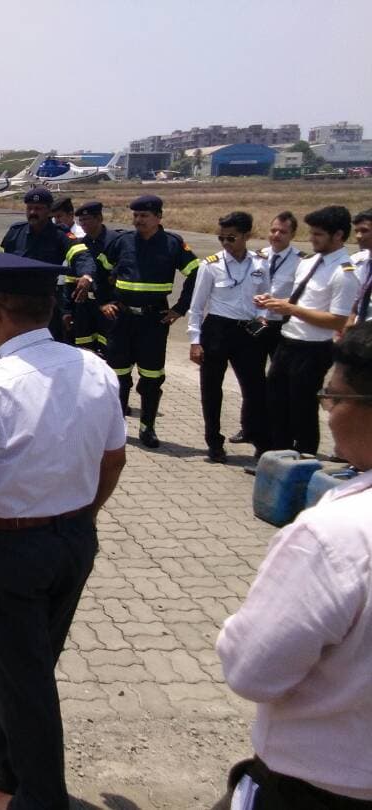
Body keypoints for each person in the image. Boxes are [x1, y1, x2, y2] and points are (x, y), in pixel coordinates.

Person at [0, 252, 126, 810]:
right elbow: (113, 461)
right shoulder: (95, 368)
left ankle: (39, 800)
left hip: (10, 549)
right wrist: (81, 519)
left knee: (28, 679)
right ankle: (3, 751)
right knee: (27, 662)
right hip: (74, 540)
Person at [215, 321, 372, 809]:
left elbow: (252, 671)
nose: (327, 411)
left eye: (334, 396)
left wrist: (234, 632)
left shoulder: (335, 535)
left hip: (323, 789)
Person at [95, 194, 200, 448]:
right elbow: (100, 269)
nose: (138, 220)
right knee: (118, 375)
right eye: (136, 215)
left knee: (152, 378)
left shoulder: (173, 244)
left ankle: (147, 427)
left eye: (144, 216)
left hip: (154, 321)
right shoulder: (122, 241)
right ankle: (117, 427)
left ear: (158, 217)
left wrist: (179, 308)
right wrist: (103, 302)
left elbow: (196, 273)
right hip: (121, 318)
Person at [259, 206, 361, 454]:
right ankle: (278, 457)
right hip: (287, 342)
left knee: (302, 409)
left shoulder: (344, 273)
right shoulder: (308, 263)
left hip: (313, 349)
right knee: (276, 403)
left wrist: (290, 310)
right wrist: (271, 301)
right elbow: (300, 301)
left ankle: (304, 461)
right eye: (312, 233)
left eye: (318, 235)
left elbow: (338, 320)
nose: (312, 239)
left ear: (338, 236)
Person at [187, 212, 270, 464]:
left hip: (248, 332)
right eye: (221, 237)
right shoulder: (210, 264)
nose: (225, 243)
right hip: (217, 331)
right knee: (211, 390)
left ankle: (259, 439)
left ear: (246, 235)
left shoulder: (260, 263)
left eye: (231, 237)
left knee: (255, 389)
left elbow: (266, 296)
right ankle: (214, 442)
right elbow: (197, 306)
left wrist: (262, 316)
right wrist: (194, 340)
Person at [230, 211, 303, 445]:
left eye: (282, 231)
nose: (276, 235)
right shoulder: (256, 257)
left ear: (292, 234)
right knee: (251, 380)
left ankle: (285, 432)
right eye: (273, 230)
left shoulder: (302, 261)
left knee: (282, 382)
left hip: (283, 326)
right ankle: (250, 428)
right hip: (256, 325)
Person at [0, 188, 97, 343]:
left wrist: (86, 276)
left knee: (50, 345)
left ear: (49, 211)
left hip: (45, 305)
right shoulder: (15, 232)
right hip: (15, 303)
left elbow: (81, 255)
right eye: (29, 208)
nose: (32, 212)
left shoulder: (60, 234)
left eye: (38, 208)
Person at [73, 200, 123, 355]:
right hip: (86, 307)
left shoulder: (116, 241)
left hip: (109, 306)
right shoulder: (81, 244)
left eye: (87, 219)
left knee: (110, 349)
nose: (83, 224)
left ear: (99, 218)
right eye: (81, 220)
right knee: (85, 349)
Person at [345, 208, 372, 329]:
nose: (358, 236)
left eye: (364, 231)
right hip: (356, 331)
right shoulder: (356, 260)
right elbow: (354, 296)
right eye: (356, 231)